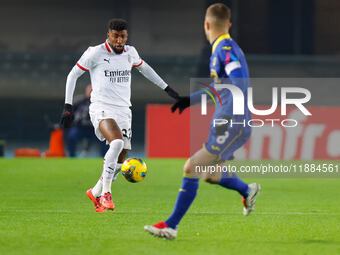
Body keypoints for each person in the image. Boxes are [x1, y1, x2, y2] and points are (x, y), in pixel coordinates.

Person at [144, 3, 261, 239]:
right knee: (211, 174)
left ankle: (171, 225)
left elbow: (238, 84)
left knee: (192, 166)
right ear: (227, 24)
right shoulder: (222, 47)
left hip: (232, 123)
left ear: (206, 25)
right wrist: (191, 100)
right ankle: (248, 190)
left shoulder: (225, 49)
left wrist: (230, 116)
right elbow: (223, 87)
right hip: (230, 122)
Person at [60, 18, 180, 213]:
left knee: (121, 156)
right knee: (116, 144)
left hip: (124, 110)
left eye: (122, 36)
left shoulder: (130, 52)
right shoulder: (95, 53)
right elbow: (72, 75)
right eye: (115, 36)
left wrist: (166, 88)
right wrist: (68, 105)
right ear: (108, 35)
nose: (119, 40)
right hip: (101, 107)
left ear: (126, 36)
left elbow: (146, 69)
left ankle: (95, 191)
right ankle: (106, 193)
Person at [66, 84, 108, 157]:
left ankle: (105, 157)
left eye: (93, 91)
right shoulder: (79, 101)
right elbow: (70, 111)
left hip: (95, 129)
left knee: (105, 138)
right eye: (90, 91)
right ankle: (71, 156)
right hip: (80, 128)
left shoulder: (100, 102)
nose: (91, 93)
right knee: (71, 136)